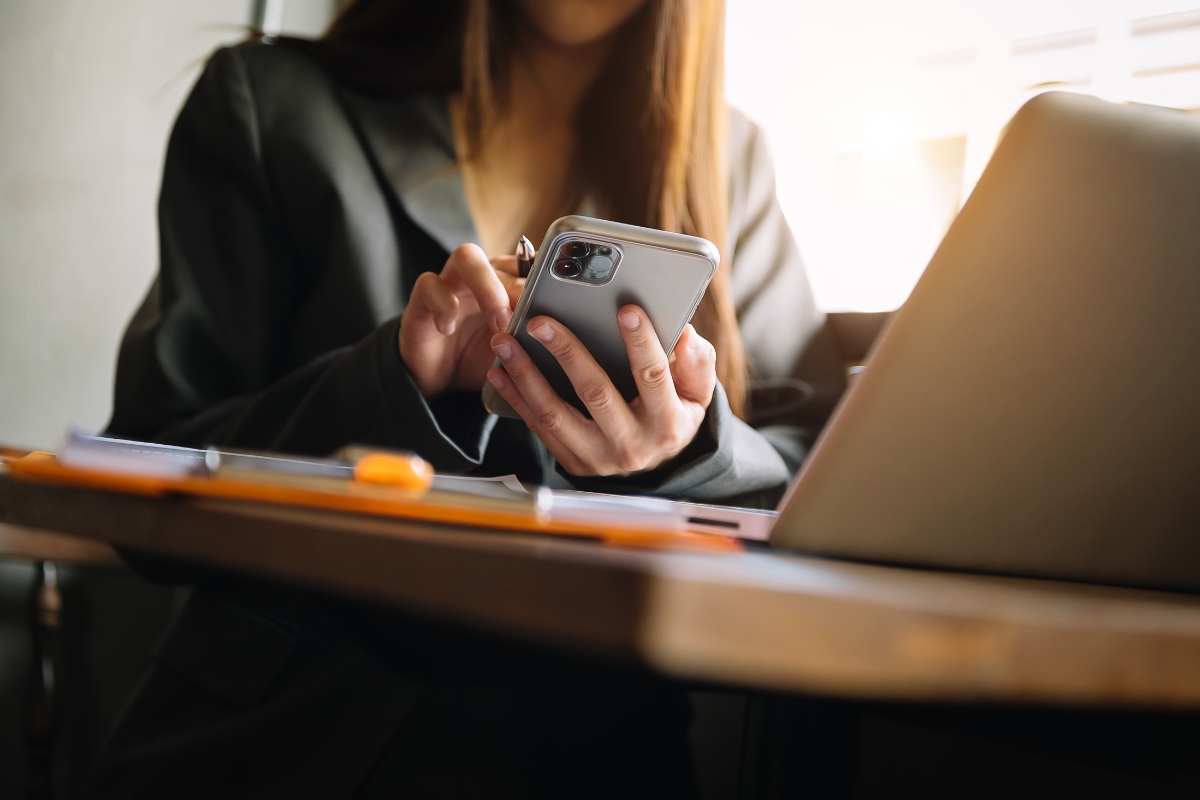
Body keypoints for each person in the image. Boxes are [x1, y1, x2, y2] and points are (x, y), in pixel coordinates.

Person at [88, 0, 844, 797]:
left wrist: (686, 450)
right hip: (285, 740)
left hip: (597, 750)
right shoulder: (271, 104)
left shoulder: (730, 163)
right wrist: (397, 382)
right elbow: (153, 461)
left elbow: (821, 470)